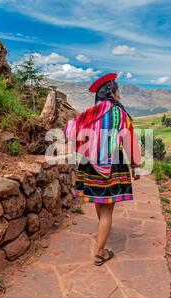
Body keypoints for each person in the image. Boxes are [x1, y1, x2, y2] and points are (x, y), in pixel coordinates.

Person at [64, 73, 142, 266]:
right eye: (119, 91)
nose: (120, 95)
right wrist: (136, 165)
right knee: (108, 209)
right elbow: (130, 140)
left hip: (90, 163)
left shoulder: (91, 113)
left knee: (100, 201)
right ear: (112, 93)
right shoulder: (121, 115)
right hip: (112, 163)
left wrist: (86, 146)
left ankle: (102, 229)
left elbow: (70, 129)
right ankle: (100, 253)